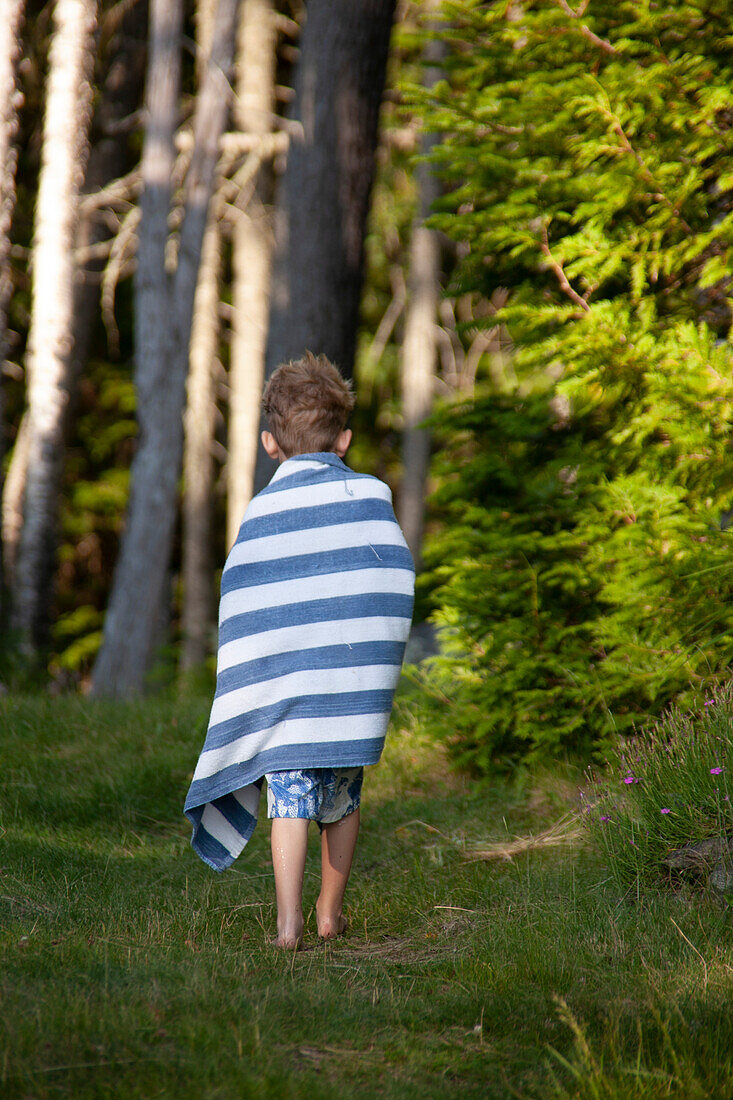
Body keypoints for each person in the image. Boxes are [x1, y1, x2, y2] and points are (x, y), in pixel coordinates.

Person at [184, 352, 415, 949]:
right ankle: (328, 912)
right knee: (342, 799)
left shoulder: (262, 512)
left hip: (285, 691)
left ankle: (287, 924)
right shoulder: (372, 497)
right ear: (344, 439)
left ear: (268, 443)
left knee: (288, 799)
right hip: (344, 691)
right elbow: (390, 578)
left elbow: (243, 598)